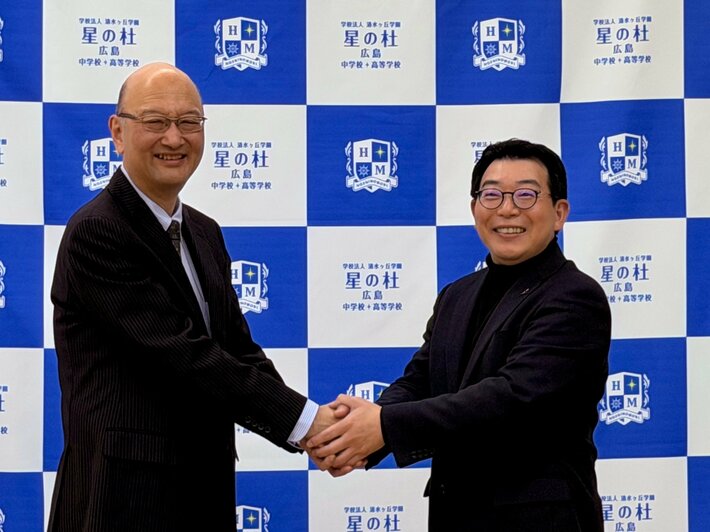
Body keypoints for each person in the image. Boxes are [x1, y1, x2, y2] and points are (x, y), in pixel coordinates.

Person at [48, 63, 338, 532]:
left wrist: (320, 431)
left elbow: (236, 349)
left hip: (203, 491)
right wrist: (307, 423)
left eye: (188, 122)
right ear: (117, 132)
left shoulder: (204, 232)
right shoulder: (98, 231)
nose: (174, 138)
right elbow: (184, 354)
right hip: (123, 499)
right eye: (155, 121)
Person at [307, 139, 612, 532]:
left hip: (538, 520)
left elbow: (513, 398)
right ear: (474, 209)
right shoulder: (457, 294)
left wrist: (383, 426)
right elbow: (420, 380)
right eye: (492, 195)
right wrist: (350, 434)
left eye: (526, 194)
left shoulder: (574, 296)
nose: (507, 209)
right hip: (456, 515)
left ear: (559, 213)